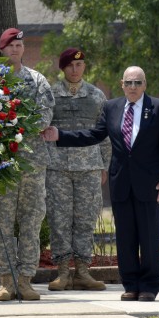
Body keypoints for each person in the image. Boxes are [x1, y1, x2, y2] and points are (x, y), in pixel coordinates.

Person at [42, 66, 159, 302]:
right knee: (125, 239)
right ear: (121, 84)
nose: (133, 87)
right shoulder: (112, 107)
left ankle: (148, 286)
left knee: (148, 238)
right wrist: (61, 135)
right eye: (129, 83)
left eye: (138, 83)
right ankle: (131, 285)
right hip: (121, 184)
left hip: (150, 186)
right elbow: (94, 135)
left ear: (145, 85)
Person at [0, 28, 55, 301]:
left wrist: (8, 122)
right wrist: (12, 124)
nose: (16, 49)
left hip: (32, 164)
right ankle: (6, 281)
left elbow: (43, 117)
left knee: (31, 222)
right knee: (2, 223)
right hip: (1, 165)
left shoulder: (37, 80)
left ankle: (26, 280)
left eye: (20, 44)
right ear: (2, 49)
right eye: (11, 45)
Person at [45, 48, 111, 292]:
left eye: (80, 65)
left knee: (85, 219)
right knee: (59, 218)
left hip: (89, 166)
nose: (76, 69)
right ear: (63, 68)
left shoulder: (96, 96)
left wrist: (105, 165)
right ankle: (62, 272)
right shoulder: (50, 95)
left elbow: (104, 134)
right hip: (57, 167)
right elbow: (42, 131)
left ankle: (83, 271)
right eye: (71, 65)